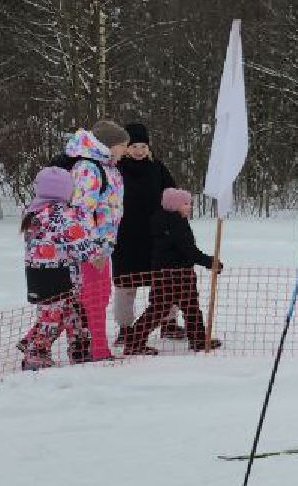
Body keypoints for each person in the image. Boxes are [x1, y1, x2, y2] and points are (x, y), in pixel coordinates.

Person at [56, 122, 128, 362]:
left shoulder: (109, 167)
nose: (124, 151)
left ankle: (91, 345)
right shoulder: (89, 168)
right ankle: (96, 348)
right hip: (91, 247)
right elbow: (81, 212)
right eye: (121, 146)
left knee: (100, 294)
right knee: (94, 295)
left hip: (103, 245)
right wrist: (91, 249)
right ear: (108, 146)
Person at [17, 166, 102, 369]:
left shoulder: (34, 213)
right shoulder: (61, 215)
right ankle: (36, 355)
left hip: (38, 274)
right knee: (55, 316)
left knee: (71, 312)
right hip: (60, 275)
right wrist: (93, 255)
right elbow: (77, 239)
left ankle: (80, 351)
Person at [122, 188, 223, 355]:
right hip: (178, 274)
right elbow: (188, 250)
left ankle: (196, 339)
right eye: (185, 204)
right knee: (179, 308)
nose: (189, 207)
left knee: (168, 308)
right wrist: (210, 262)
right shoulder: (176, 224)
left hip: (163, 273)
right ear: (175, 206)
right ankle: (135, 342)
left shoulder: (162, 220)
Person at [112, 121, 185, 343]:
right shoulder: (116, 169)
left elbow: (172, 194)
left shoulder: (158, 168)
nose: (139, 151)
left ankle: (169, 323)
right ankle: (125, 329)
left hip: (157, 237)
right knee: (126, 286)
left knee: (165, 281)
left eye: (143, 146)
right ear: (126, 147)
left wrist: (181, 208)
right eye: (134, 146)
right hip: (126, 238)